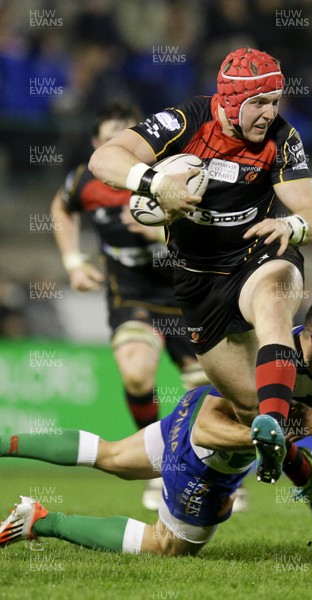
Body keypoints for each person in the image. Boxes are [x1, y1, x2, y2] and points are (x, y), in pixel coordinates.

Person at [88, 47, 312, 483]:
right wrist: (157, 182)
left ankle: (273, 419)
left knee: (275, 299)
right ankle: (302, 474)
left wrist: (289, 226)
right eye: (258, 102)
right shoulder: (184, 122)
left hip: (258, 253)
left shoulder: (282, 137)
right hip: (199, 281)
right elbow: (103, 158)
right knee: (246, 407)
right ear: (231, 101)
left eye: (275, 101)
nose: (268, 112)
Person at [0, 293, 312, 554]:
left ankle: (6, 441)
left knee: (112, 456)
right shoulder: (273, 359)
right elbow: (205, 429)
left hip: (196, 413)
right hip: (209, 447)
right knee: (166, 546)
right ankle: (41, 520)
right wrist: (265, 441)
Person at [51, 102, 209, 510]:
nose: (117, 148)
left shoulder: (178, 172)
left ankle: (215, 474)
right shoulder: (86, 180)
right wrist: (74, 262)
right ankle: (155, 467)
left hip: (184, 291)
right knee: (138, 376)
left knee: (205, 386)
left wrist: (159, 233)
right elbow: (61, 208)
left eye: (125, 139)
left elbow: (211, 237)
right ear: (96, 144)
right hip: (131, 293)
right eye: (108, 141)